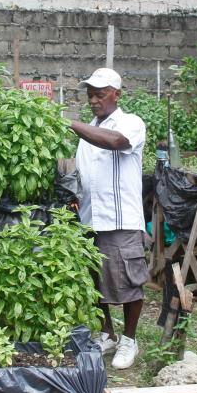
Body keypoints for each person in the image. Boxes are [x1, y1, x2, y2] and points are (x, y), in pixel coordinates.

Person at [70, 67, 147, 370]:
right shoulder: (89, 127)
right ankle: (107, 334)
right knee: (94, 281)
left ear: (117, 94)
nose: (94, 99)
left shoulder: (130, 123)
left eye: (100, 93)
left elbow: (115, 142)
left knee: (128, 280)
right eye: (90, 94)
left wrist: (72, 124)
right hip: (91, 219)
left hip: (121, 219)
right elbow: (85, 171)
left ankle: (130, 339)